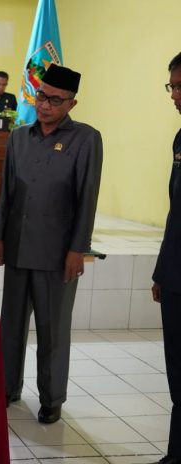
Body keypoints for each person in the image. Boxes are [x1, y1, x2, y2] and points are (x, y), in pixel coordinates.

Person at [0, 64, 103, 424]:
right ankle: (7, 387)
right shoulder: (19, 137)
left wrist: (78, 249)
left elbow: (87, 197)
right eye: (41, 96)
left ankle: (52, 398)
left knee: (53, 330)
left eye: (55, 100)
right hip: (17, 247)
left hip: (57, 254)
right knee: (10, 326)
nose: (45, 105)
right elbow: (7, 192)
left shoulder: (86, 138)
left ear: (71, 104)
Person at [151, 51, 181, 464]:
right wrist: (162, 271)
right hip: (176, 276)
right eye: (172, 86)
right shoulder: (180, 139)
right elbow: (176, 213)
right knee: (177, 372)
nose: (174, 95)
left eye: (180, 86)